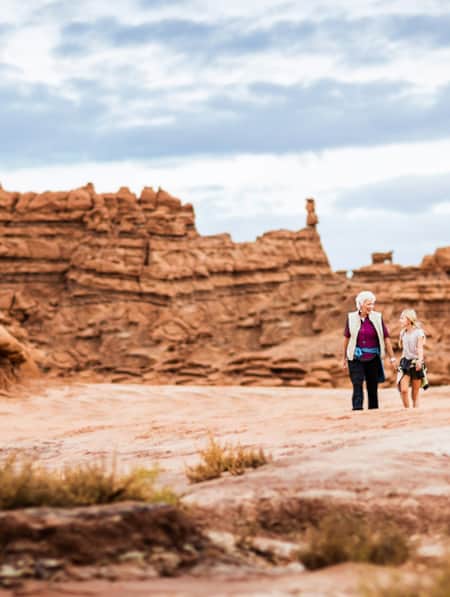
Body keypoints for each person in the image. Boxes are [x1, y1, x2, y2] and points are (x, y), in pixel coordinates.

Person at [343, 290, 396, 410]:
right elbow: (346, 338)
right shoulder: (351, 318)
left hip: (373, 358)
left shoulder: (377, 317)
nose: (371, 307)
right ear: (360, 304)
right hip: (355, 358)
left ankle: (373, 412)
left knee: (372, 387)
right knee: (357, 384)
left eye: (372, 304)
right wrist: (344, 358)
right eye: (368, 304)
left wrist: (392, 357)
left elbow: (386, 338)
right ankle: (357, 410)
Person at [397, 309, 427, 408]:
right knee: (404, 390)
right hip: (405, 363)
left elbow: (420, 348)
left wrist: (420, 361)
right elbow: (404, 350)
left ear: (409, 319)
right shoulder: (402, 333)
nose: (400, 320)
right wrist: (400, 363)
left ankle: (415, 413)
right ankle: (407, 410)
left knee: (415, 392)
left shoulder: (419, 332)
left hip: (416, 362)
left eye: (402, 318)